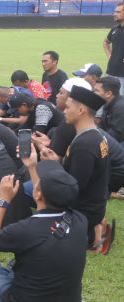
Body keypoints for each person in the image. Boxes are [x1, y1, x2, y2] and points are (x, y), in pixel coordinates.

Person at [0, 160, 87, 302]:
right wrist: (32, 166)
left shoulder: (25, 229)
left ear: (38, 194)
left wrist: (3, 200)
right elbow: (40, 192)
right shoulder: (80, 220)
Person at [37, 86, 111, 251]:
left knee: (43, 237)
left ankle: (92, 234)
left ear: (81, 110)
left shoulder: (85, 144)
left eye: (69, 106)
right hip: (94, 207)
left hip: (83, 213)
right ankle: (95, 228)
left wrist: (51, 167)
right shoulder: (96, 135)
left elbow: (72, 189)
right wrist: (57, 161)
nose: (64, 110)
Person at [103, 2, 124, 95]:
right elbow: (105, 42)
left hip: (122, 75)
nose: (114, 14)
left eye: (118, 12)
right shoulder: (115, 29)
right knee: (105, 98)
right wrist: (109, 56)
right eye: (115, 12)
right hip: (110, 72)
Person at [95, 76, 124, 143]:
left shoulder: (120, 108)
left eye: (97, 91)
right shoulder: (108, 103)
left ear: (108, 94)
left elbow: (116, 136)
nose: (94, 93)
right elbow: (102, 125)